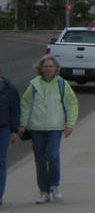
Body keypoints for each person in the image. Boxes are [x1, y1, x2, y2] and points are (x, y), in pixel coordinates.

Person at [18, 56, 79, 204]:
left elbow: (71, 104)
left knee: (52, 156)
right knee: (40, 160)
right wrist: (22, 124)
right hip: (37, 127)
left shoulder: (61, 84)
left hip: (55, 127)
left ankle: (54, 185)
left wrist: (70, 124)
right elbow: (25, 104)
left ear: (55, 68)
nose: (48, 69)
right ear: (41, 68)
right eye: (45, 66)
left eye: (50, 66)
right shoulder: (34, 85)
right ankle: (43, 191)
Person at [0, 65, 21, 207]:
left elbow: (15, 110)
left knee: (0, 162)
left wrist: (14, 131)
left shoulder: (9, 89)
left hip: (3, 129)